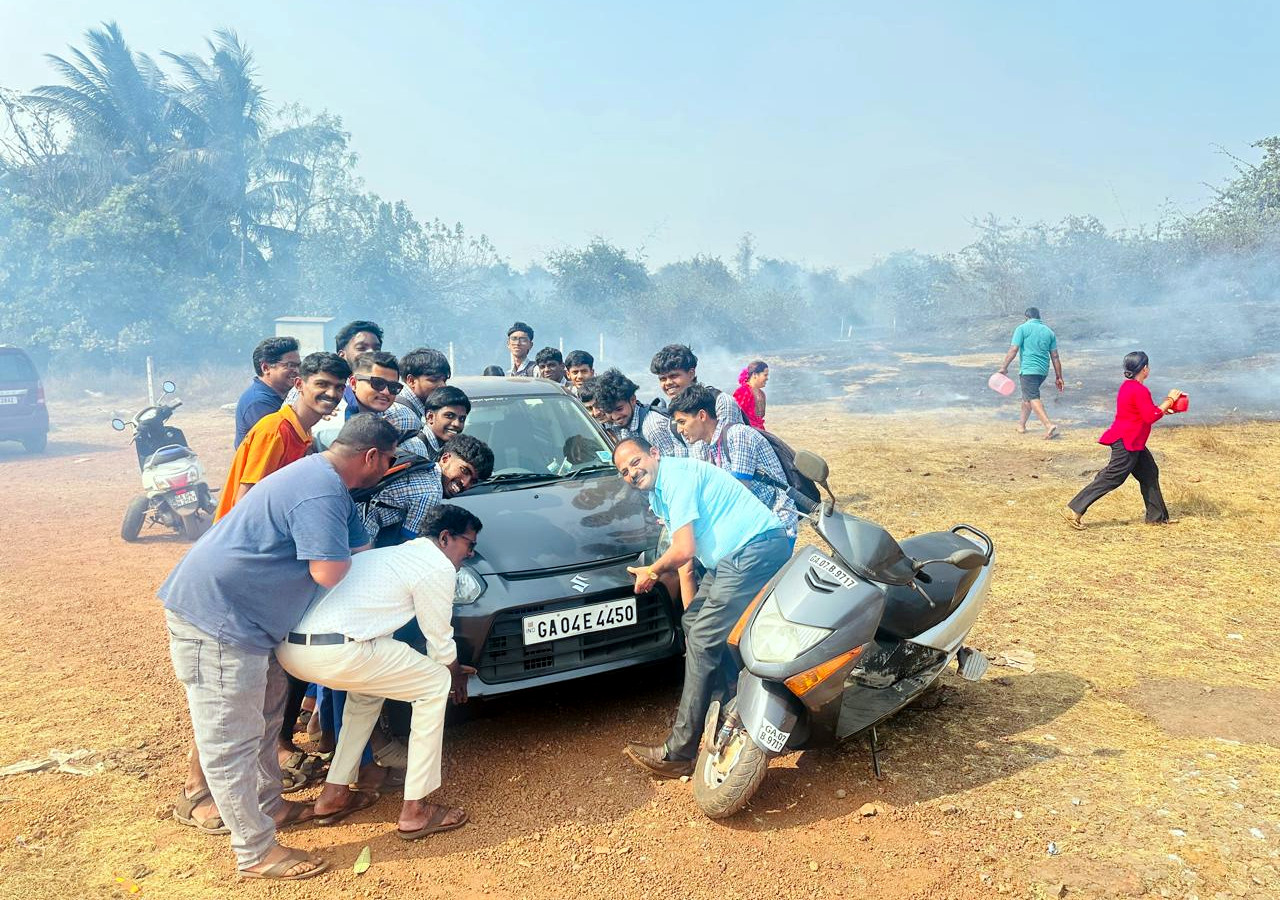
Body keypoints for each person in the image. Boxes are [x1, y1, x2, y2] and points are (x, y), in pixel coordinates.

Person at [159, 414, 397, 880]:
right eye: (388, 461)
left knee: (268, 715)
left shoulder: (330, 482)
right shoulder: (320, 490)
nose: (388, 469)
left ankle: (269, 806)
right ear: (371, 456)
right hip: (219, 618)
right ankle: (254, 851)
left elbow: (360, 547)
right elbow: (328, 572)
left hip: (253, 621)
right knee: (232, 737)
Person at [276, 505, 481, 840]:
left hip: (294, 652)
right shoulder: (436, 566)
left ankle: (333, 794)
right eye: (468, 545)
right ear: (445, 538)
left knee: (367, 692)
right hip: (336, 651)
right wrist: (455, 673)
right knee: (435, 682)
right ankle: (415, 810)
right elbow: (440, 642)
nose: (469, 554)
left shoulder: (389, 556)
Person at [612, 436, 791, 777]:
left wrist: (651, 570)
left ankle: (679, 751)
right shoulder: (659, 492)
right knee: (694, 623)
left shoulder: (675, 478)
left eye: (635, 462)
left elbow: (682, 549)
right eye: (624, 472)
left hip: (754, 549)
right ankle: (725, 706)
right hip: (730, 558)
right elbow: (686, 558)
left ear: (654, 453)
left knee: (702, 638)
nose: (632, 473)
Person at [215, 352, 351, 520]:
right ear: (299, 384)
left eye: (339, 387)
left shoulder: (304, 432)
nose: (331, 394)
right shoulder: (275, 431)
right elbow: (246, 503)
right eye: (322, 384)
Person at [1065, 352, 1182, 529]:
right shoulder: (1139, 389)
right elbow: (1150, 416)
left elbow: (1144, 412)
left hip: (1134, 441)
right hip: (1127, 441)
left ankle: (1157, 518)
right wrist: (1170, 399)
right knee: (1113, 477)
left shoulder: (1128, 387)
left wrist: (1163, 409)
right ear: (1145, 369)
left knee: (1150, 473)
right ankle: (1074, 510)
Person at [668, 384, 798, 538]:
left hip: (776, 524)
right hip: (753, 524)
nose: (680, 430)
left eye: (682, 422)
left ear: (702, 416)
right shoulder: (708, 446)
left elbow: (737, 491)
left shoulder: (737, 435)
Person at [358, 433, 494, 545]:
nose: (465, 483)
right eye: (465, 471)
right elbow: (408, 545)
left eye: (474, 481)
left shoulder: (424, 465)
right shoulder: (431, 492)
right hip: (359, 530)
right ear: (445, 459)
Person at [998, 307, 1064, 439]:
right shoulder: (1049, 332)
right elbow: (1055, 356)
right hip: (1042, 371)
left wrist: (1004, 367)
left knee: (1032, 397)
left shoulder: (1022, 328)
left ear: (1026, 317)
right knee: (1027, 396)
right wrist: (1059, 376)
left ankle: (1048, 425)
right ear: (1039, 317)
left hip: (1028, 370)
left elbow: (1014, 349)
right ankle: (1021, 425)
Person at [591, 368, 684, 457]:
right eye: (609, 411)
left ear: (632, 400)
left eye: (619, 409)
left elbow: (671, 466)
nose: (615, 417)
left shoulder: (653, 427)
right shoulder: (619, 427)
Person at [649, 344, 745, 426]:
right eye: (663, 379)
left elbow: (730, 441)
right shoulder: (673, 414)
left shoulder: (719, 402)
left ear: (691, 374)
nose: (668, 383)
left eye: (674, 376)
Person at [235, 337, 300, 447]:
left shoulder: (284, 395)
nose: (297, 371)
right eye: (290, 365)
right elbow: (286, 441)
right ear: (266, 368)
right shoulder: (258, 403)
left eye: (298, 365)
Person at [384, 347, 451, 439]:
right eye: (434, 380)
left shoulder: (401, 405)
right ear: (411, 381)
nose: (443, 386)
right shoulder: (407, 418)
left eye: (444, 380)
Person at [409, 386, 471, 461]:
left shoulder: (447, 450)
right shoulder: (415, 449)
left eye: (462, 419)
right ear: (430, 417)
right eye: (449, 416)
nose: (457, 424)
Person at [733, 360, 769, 430]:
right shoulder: (743, 392)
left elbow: (760, 416)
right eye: (765, 375)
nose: (767, 378)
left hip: (759, 430)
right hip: (745, 432)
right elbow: (735, 416)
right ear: (755, 375)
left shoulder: (762, 394)